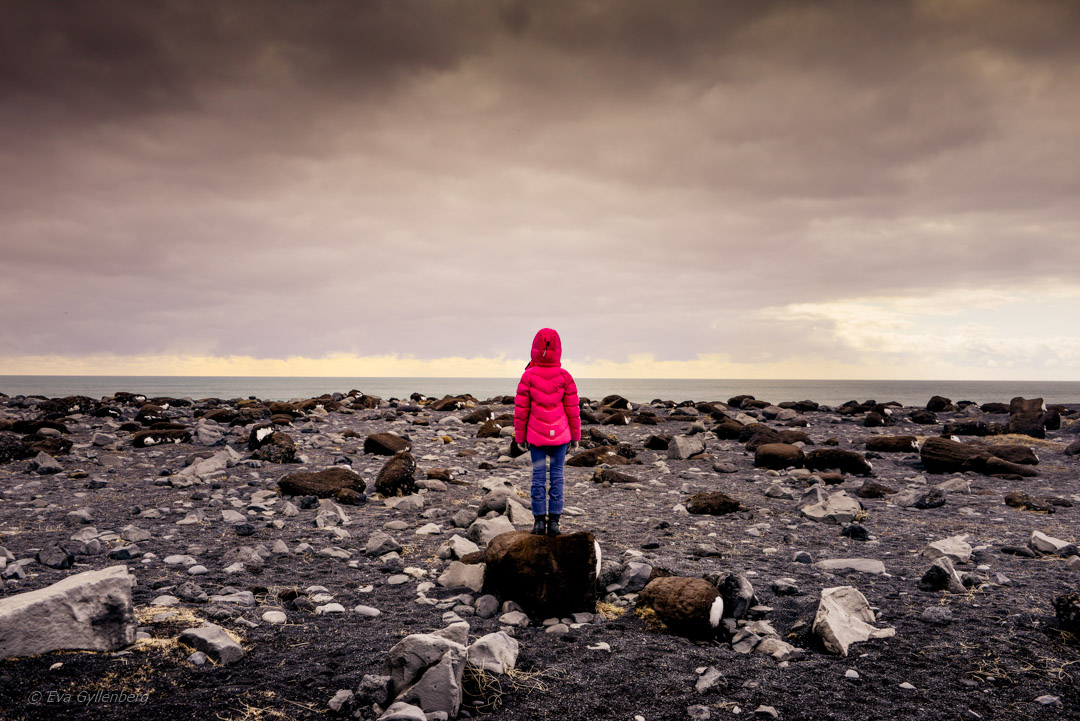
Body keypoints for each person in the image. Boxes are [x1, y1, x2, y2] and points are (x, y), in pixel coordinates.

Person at [513, 327, 581, 537]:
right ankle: (555, 523)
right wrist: (576, 437)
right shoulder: (565, 376)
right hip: (560, 436)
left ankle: (538, 522)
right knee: (558, 477)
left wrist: (520, 437)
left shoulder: (528, 376)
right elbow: (573, 409)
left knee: (538, 478)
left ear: (534, 348)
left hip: (536, 436)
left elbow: (521, 411)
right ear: (558, 349)